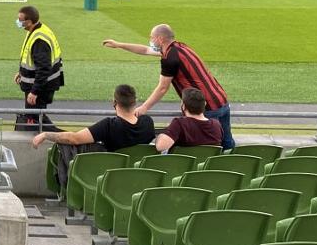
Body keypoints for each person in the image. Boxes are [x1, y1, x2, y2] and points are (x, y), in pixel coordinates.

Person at [103, 23, 234, 149]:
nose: (150, 40)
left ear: (160, 39)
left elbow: (162, 88)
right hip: (222, 100)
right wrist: (119, 45)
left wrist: (144, 108)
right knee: (227, 143)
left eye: (151, 37)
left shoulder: (169, 59)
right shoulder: (179, 47)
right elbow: (145, 50)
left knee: (202, 147)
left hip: (206, 107)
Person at [31, 85, 156, 195]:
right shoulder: (148, 122)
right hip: (138, 179)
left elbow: (74, 139)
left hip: (112, 178)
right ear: (135, 102)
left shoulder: (109, 125)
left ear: (114, 102)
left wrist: (46, 135)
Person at [15, 5, 64, 130]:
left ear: (29, 22)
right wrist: (21, 73)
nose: (18, 22)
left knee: (35, 119)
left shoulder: (39, 40)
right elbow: (30, 58)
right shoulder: (36, 30)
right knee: (36, 117)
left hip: (40, 87)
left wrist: (34, 91)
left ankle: (65, 139)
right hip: (39, 84)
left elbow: (43, 68)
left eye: (20, 20)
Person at [154, 87, 223, 153]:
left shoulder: (179, 124)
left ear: (183, 106)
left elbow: (161, 146)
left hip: (181, 164)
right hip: (205, 164)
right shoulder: (216, 125)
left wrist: (161, 136)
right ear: (204, 104)